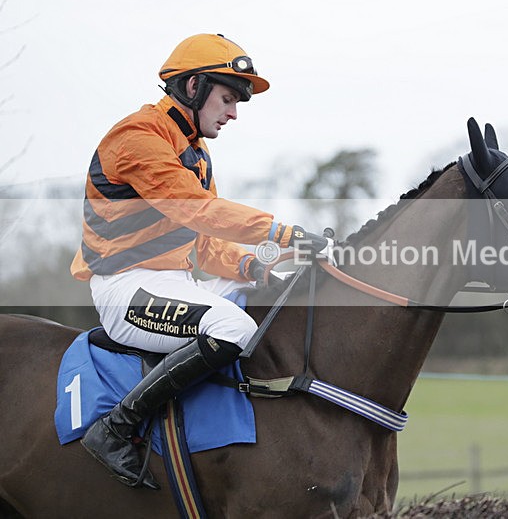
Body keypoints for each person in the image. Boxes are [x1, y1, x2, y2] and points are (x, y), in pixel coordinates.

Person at [71, 33, 322, 489]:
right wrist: (281, 232)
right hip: (125, 290)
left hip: (175, 281)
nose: (233, 113)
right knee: (234, 329)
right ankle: (116, 428)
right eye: (228, 99)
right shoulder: (138, 137)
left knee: (266, 292)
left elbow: (202, 240)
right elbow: (197, 210)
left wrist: (255, 267)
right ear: (193, 88)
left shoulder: (196, 151)